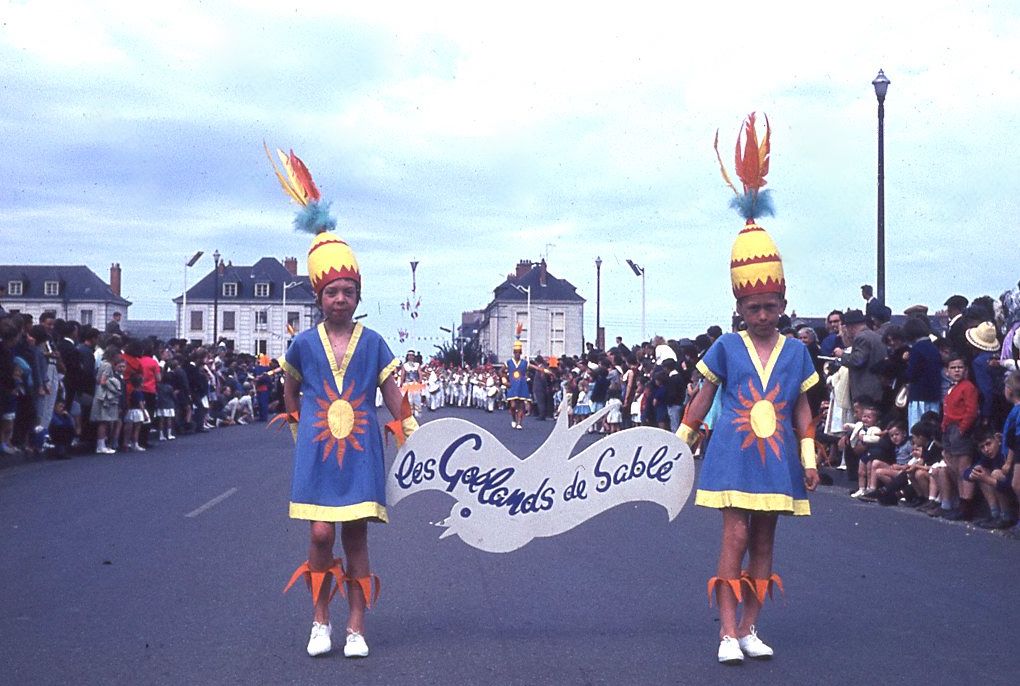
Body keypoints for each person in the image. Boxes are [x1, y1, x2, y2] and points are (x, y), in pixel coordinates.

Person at [675, 113, 819, 664]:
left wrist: (808, 453)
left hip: (777, 458)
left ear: (783, 305)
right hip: (733, 457)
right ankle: (726, 631)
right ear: (737, 308)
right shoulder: (726, 349)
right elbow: (703, 397)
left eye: (771, 306)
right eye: (752, 307)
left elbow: (803, 408)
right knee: (734, 537)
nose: (762, 314)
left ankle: (753, 628)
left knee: (765, 541)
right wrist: (682, 440)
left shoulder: (798, 352)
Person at [268, 147, 416, 659]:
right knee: (318, 534)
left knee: (355, 540)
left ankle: (355, 626)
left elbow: (393, 395)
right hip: (317, 451)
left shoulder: (373, 341)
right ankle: (318, 620)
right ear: (319, 296)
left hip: (359, 452)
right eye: (333, 291)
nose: (341, 298)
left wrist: (411, 428)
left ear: (358, 295)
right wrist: (296, 420)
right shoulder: (304, 344)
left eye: (349, 290)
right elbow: (288, 388)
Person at [505, 340, 529, 430]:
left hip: (522, 385)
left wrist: (544, 370)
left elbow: (535, 368)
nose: (517, 354)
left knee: (521, 405)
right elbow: (501, 371)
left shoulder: (524, 362)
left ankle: (519, 423)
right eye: (516, 353)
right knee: (513, 406)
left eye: (519, 353)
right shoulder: (509, 362)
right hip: (512, 386)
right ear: (513, 353)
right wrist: (504, 380)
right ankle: (514, 419)